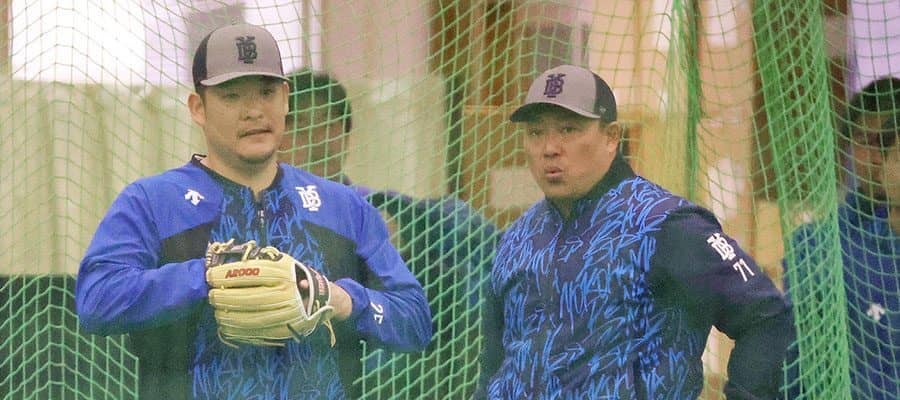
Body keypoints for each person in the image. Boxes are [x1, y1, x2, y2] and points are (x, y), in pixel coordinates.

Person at [74, 23, 432, 400]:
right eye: (232, 96)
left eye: (266, 92)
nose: (254, 111)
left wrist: (340, 299)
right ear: (198, 108)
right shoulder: (152, 201)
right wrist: (211, 275)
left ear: (285, 99)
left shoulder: (344, 206)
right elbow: (97, 301)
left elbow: (415, 321)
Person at [477, 64, 794, 399]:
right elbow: (494, 363)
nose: (549, 148)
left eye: (568, 129)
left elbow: (765, 317)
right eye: (535, 132)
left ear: (611, 136)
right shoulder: (517, 239)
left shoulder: (665, 225)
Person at [281, 69, 499, 398]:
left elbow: (481, 238)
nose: (316, 138)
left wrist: (409, 226)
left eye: (328, 122)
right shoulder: (260, 218)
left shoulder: (378, 207)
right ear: (278, 136)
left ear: (346, 134)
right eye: (300, 124)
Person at [785, 76, 899, 399]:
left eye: (888, 144)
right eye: (866, 141)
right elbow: (795, 354)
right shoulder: (816, 243)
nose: (876, 157)